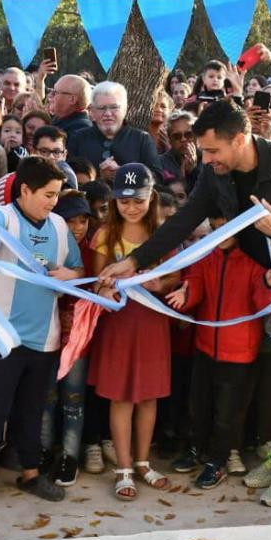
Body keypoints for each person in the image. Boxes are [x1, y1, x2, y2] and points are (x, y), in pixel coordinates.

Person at [98, 100, 271, 507]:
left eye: (212, 152)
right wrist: (133, 262)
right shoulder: (214, 173)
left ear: (240, 140)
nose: (205, 160)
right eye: (203, 152)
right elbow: (183, 220)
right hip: (264, 292)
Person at [0, 157, 85, 514]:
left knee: (32, 411)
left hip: (45, 339)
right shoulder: (3, 218)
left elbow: (78, 268)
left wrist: (69, 277)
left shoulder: (58, 225)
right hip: (0, 337)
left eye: (57, 195)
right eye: (48, 194)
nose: (53, 202)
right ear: (24, 190)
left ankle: (30, 474)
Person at [165, 214, 271, 489]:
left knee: (228, 413)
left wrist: (267, 284)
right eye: (216, 229)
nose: (220, 234)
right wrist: (186, 293)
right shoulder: (206, 258)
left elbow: (265, 304)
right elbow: (195, 283)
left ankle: (217, 461)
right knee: (199, 405)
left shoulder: (255, 265)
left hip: (239, 352)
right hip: (206, 346)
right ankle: (196, 449)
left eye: (226, 228)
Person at [86, 164, 179, 500]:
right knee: (121, 396)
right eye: (124, 201)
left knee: (149, 396)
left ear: (150, 198)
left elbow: (175, 276)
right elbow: (96, 281)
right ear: (115, 201)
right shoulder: (104, 234)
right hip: (119, 325)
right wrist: (104, 291)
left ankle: (143, 462)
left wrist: (161, 283)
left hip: (152, 323)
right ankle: (123, 467)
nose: (131, 207)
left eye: (138, 200)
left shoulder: (163, 233)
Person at [42, 190, 96, 486]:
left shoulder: (92, 252)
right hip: (47, 335)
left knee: (73, 399)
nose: (78, 228)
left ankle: (70, 457)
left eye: (83, 221)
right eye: (70, 221)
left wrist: (74, 277)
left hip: (78, 340)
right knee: (46, 397)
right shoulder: (47, 248)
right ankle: (45, 451)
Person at [68, 82, 163, 182]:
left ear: (125, 109)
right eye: (102, 108)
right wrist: (99, 177)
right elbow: (69, 178)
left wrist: (123, 174)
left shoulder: (141, 139)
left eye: (114, 107)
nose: (108, 113)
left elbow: (157, 178)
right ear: (92, 110)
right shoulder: (78, 138)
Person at [48, 74, 93, 138]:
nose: (50, 96)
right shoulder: (59, 119)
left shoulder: (81, 129)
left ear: (72, 99)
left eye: (55, 92)